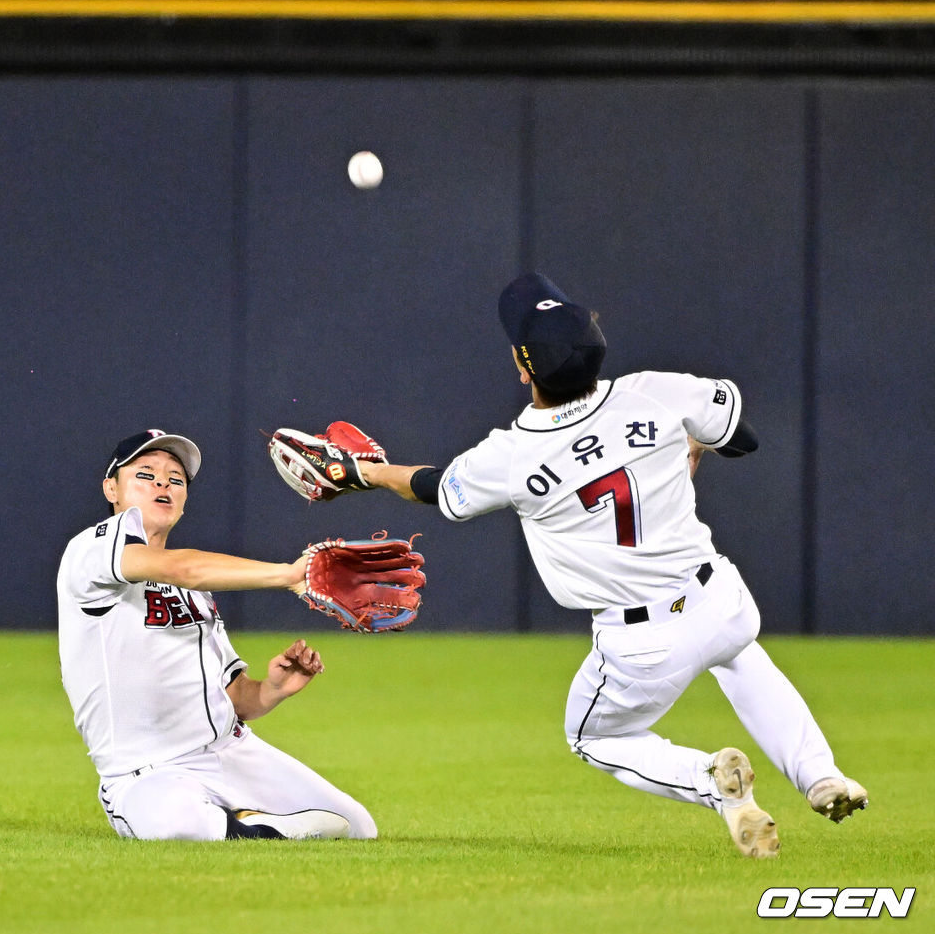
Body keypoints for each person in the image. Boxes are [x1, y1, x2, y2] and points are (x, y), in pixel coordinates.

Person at [350, 273, 867, 858]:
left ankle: (714, 785)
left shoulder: (512, 453)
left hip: (643, 643)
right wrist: (689, 446)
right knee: (742, 656)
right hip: (718, 596)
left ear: (525, 372)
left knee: (591, 735)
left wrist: (362, 473)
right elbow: (739, 438)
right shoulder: (657, 391)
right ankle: (820, 775)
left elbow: (435, 486)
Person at [56, 428, 377, 842]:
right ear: (110, 488)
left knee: (357, 827)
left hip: (230, 752)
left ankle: (241, 826)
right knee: (176, 827)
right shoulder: (92, 550)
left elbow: (235, 698)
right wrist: (289, 574)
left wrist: (272, 689)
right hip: (147, 772)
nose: (162, 483)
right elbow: (180, 567)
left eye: (176, 479)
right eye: (145, 473)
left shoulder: (198, 591)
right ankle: (245, 826)